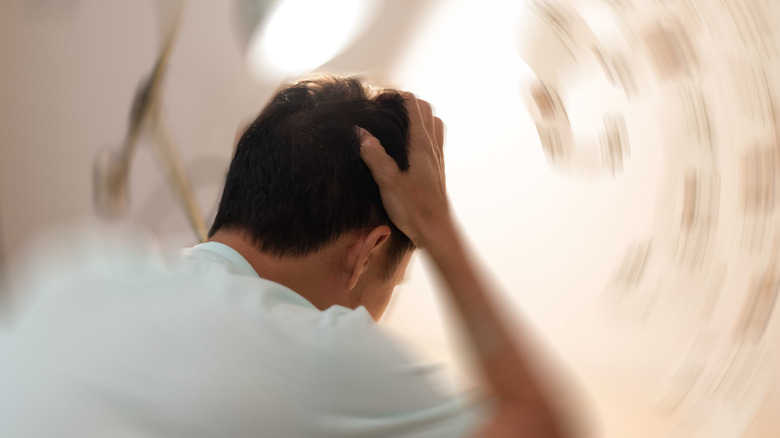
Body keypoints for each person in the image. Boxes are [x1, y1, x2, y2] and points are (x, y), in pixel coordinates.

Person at [0, 75, 567, 437]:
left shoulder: (68, 272)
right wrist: (436, 226)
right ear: (368, 253)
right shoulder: (324, 356)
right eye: (398, 281)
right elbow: (543, 426)